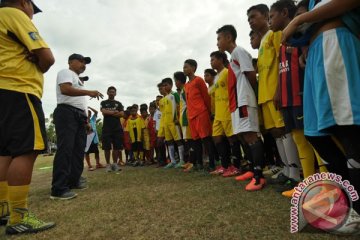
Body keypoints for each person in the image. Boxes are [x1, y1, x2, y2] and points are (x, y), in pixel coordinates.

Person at [282, 0, 360, 215]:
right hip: (317, 53)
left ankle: (355, 210)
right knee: (315, 133)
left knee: (347, 126)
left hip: (335, 43)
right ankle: (345, 199)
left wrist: (300, 19)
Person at [0, 0, 55, 234]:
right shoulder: (13, 13)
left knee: (4, 152)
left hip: (3, 91)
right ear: (24, 3)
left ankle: (3, 210)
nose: (32, 15)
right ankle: (18, 217)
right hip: (19, 88)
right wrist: (41, 65)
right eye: (33, 9)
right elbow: (47, 57)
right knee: (26, 150)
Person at [247, 4, 301, 190]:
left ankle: (295, 174)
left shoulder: (274, 34)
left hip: (274, 92)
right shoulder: (262, 41)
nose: (251, 22)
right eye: (248, 19)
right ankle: (286, 170)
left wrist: (279, 89)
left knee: (284, 130)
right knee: (276, 133)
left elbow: (282, 62)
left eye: (254, 17)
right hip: (265, 95)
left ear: (265, 16)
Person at [216, 25, 265, 191]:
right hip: (236, 103)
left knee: (251, 136)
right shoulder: (232, 58)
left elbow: (250, 74)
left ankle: (259, 176)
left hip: (244, 100)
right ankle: (251, 170)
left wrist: (253, 95)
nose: (217, 43)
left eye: (219, 39)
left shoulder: (239, 52)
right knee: (244, 136)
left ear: (229, 37)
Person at [51, 53, 103, 200]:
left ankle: (73, 180)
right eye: (80, 61)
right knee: (66, 149)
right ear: (70, 62)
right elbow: (65, 90)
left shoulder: (79, 81)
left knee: (78, 150)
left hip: (79, 116)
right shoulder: (65, 72)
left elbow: (81, 103)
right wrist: (88, 92)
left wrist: (86, 121)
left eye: (85, 62)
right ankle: (58, 188)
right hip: (66, 112)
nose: (83, 64)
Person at [208, 51, 243, 177]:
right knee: (216, 137)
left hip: (228, 111)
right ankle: (225, 165)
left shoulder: (227, 72)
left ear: (221, 60)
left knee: (232, 138)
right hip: (218, 113)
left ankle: (237, 166)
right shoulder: (216, 77)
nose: (211, 62)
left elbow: (234, 89)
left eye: (213, 59)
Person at [183, 59, 216, 172]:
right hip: (191, 116)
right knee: (195, 141)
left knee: (206, 139)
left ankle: (212, 163)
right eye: (184, 67)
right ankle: (199, 163)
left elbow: (206, 97)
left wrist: (209, 111)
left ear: (193, 68)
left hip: (201, 113)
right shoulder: (186, 85)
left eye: (186, 67)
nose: (184, 69)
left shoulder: (199, 80)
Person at [161, 77, 185, 169]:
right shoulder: (164, 98)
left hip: (174, 122)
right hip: (166, 123)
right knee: (169, 142)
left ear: (171, 85)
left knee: (178, 140)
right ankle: (172, 161)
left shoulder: (174, 94)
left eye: (166, 85)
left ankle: (182, 160)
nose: (164, 87)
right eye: (163, 86)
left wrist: (178, 119)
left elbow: (180, 106)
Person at [100, 86, 124, 172]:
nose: (111, 93)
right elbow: (103, 111)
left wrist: (109, 113)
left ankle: (115, 164)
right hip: (107, 128)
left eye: (113, 92)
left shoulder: (119, 103)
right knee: (107, 147)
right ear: (107, 92)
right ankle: (108, 165)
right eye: (110, 91)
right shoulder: (103, 102)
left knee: (117, 147)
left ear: (115, 93)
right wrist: (114, 112)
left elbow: (121, 114)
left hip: (117, 128)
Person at [174, 71, 193, 171]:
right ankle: (190, 161)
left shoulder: (185, 89)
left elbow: (189, 104)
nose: (175, 83)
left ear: (178, 81)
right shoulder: (182, 90)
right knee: (187, 140)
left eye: (175, 80)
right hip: (183, 119)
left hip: (186, 118)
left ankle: (192, 162)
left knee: (189, 141)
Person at [84, 107, 104, 171]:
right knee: (87, 153)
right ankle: (89, 165)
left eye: (89, 114)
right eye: (87, 114)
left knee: (96, 152)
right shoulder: (83, 121)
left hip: (94, 139)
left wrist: (89, 107)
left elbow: (96, 112)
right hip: (87, 140)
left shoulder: (93, 120)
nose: (88, 115)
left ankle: (98, 164)